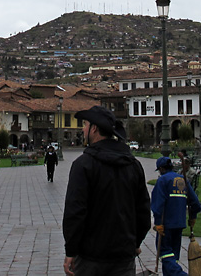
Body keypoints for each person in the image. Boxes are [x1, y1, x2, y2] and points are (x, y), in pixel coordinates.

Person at [63, 106, 151, 276]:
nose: (83, 129)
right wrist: (134, 242)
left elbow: (75, 212)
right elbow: (143, 212)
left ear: (94, 129)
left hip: (90, 258)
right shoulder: (133, 165)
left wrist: (71, 250)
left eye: (85, 124)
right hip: (123, 258)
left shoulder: (83, 165)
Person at [151, 156, 201, 276]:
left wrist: (158, 223)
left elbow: (158, 204)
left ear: (161, 169)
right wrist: (193, 217)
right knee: (174, 255)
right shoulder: (182, 179)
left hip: (166, 224)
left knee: (165, 253)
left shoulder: (163, 180)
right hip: (179, 223)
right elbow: (195, 203)